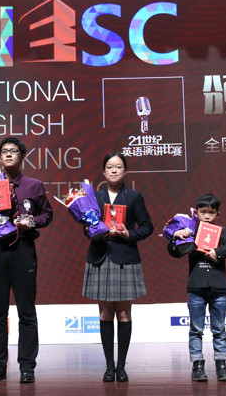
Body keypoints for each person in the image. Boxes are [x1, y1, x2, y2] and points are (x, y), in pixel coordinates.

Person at [0, 137, 53, 384]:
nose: (8, 154)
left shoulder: (34, 185)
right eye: (4, 152)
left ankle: (27, 367)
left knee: (26, 312)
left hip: (23, 249)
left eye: (14, 151)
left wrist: (33, 221)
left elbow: (47, 214)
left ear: (22, 157)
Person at [83, 152, 153, 383]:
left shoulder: (133, 196)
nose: (114, 170)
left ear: (125, 171)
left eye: (119, 167)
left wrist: (128, 234)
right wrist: (91, 232)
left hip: (125, 255)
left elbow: (147, 226)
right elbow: (86, 225)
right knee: (104, 313)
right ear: (103, 172)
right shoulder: (95, 196)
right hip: (101, 255)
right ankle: (108, 366)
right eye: (110, 167)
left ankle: (121, 367)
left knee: (124, 314)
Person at [170, 193, 226, 382]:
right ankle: (198, 366)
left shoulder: (221, 232)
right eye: (203, 212)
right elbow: (174, 252)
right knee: (196, 329)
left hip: (218, 288)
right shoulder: (189, 231)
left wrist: (217, 251)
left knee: (219, 329)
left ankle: (221, 365)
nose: (207, 216)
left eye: (211, 212)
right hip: (196, 288)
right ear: (196, 213)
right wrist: (175, 236)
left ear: (217, 214)